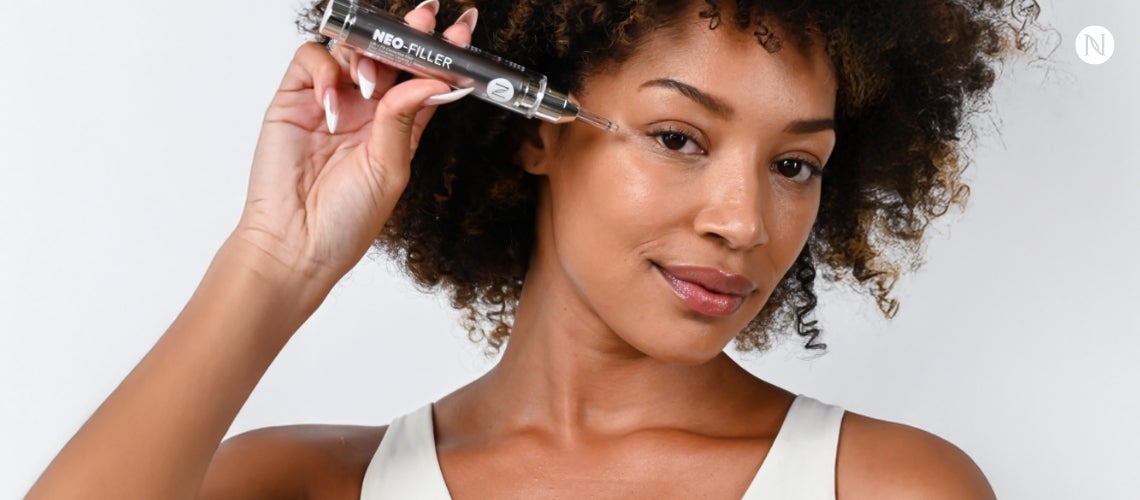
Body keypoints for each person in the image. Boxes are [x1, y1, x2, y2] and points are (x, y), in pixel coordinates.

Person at [28, 0, 1044, 498]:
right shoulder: (304, 484)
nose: (744, 221)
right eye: (678, 138)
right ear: (535, 126)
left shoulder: (883, 486)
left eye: (795, 165)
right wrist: (273, 258)